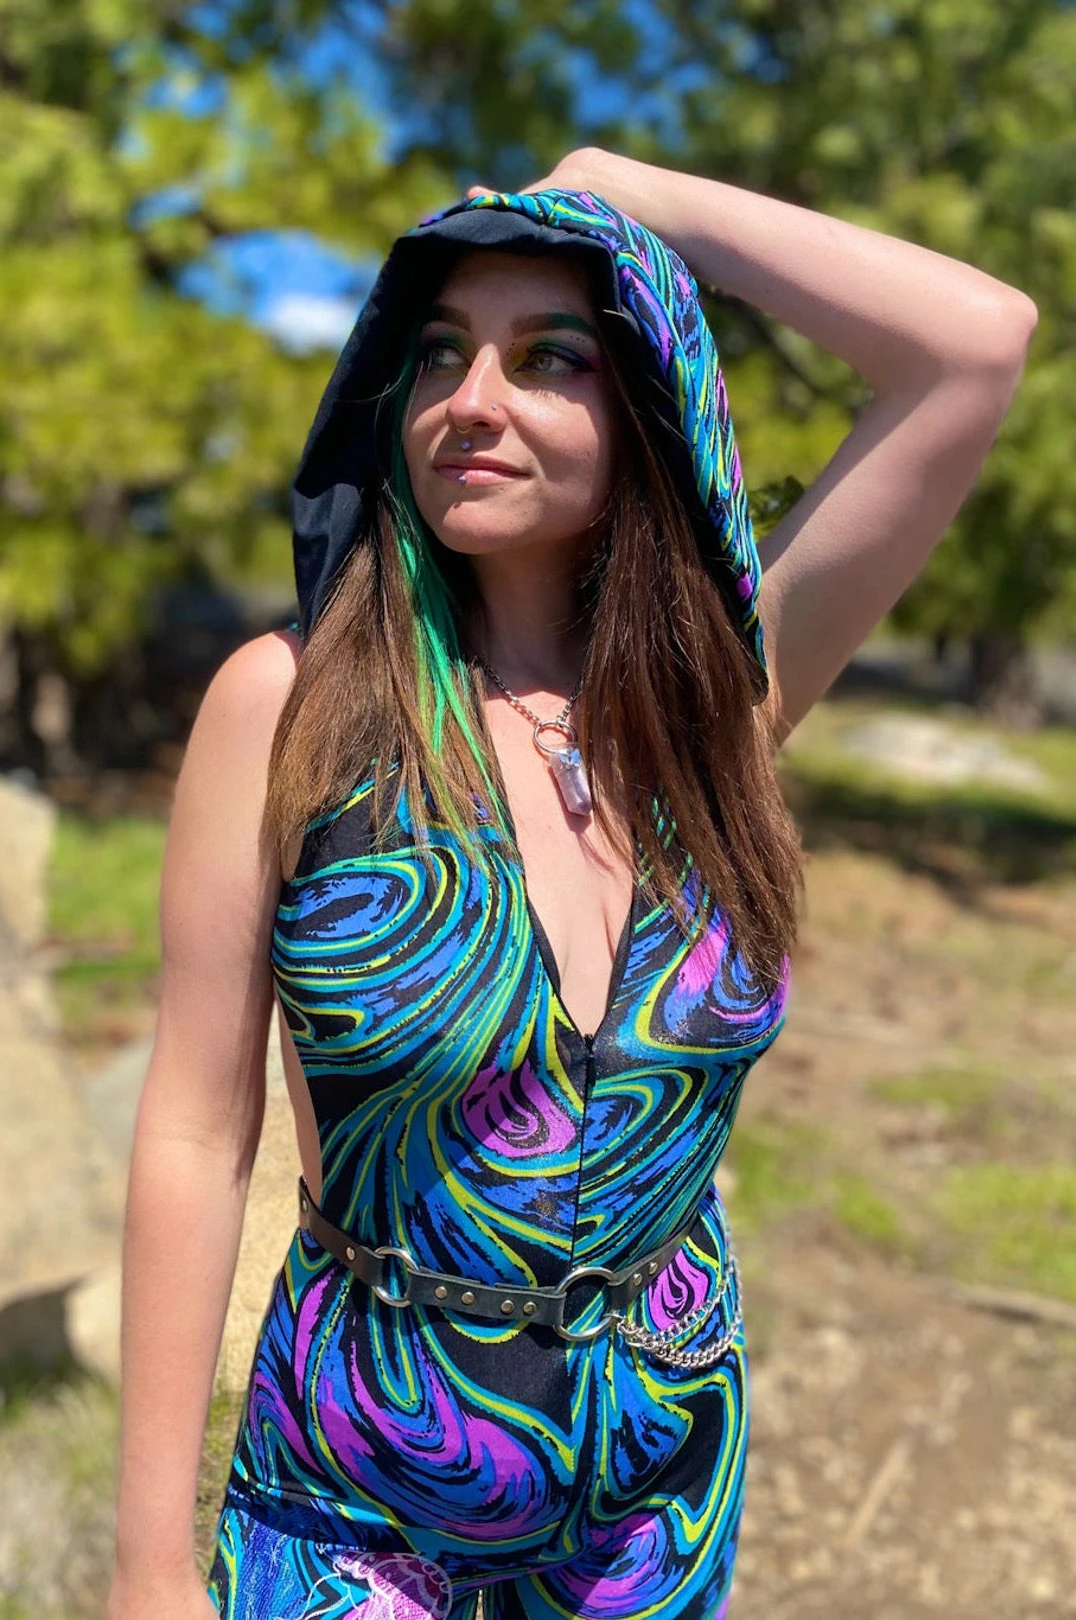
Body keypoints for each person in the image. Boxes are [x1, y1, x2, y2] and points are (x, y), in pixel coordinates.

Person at [107, 147, 1035, 1620]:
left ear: (646, 409)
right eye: (437, 355)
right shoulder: (291, 708)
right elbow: (195, 1131)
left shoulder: (718, 708)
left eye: (548, 358)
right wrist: (149, 1571)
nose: (471, 400)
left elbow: (976, 345)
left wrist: (636, 197)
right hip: (361, 1474)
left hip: (657, 1482)